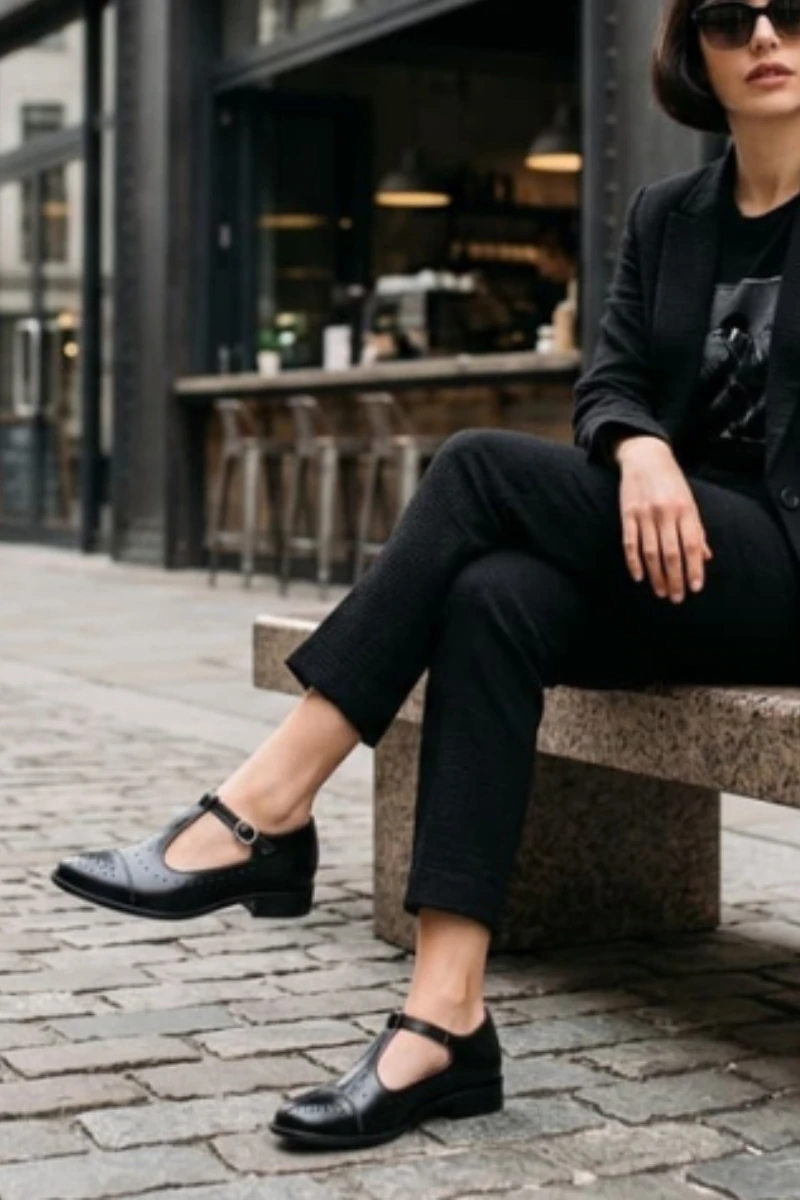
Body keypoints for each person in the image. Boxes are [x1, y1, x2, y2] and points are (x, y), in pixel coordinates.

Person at [52, 0, 800, 1152]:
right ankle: (443, 1021)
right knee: (485, 597)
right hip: (676, 556)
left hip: (786, 569)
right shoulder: (668, 215)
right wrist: (641, 446)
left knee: (472, 468)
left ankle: (264, 808)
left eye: (790, 10)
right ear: (688, 48)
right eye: (725, 15)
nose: (762, 35)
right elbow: (605, 385)